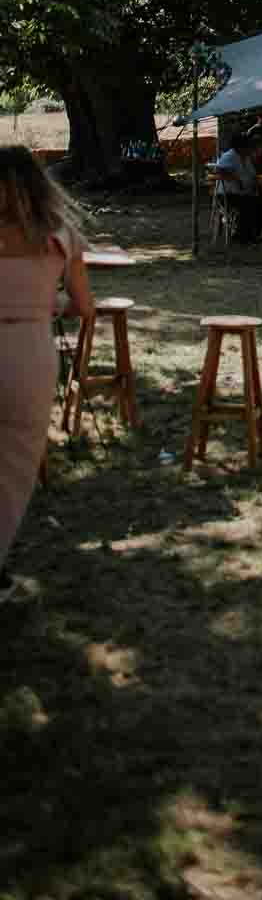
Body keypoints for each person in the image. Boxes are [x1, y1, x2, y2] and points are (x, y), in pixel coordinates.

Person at [0, 147, 95, 603]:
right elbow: (83, 308)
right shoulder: (62, 235)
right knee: (14, 470)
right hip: (29, 353)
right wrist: (43, 304)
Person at [213, 133, 262, 242]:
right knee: (249, 204)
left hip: (242, 193)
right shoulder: (229, 156)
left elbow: (252, 175)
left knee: (260, 203)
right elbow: (218, 170)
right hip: (227, 195)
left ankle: (254, 234)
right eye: (247, 146)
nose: (249, 149)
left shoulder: (246, 157)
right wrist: (236, 178)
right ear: (240, 147)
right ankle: (241, 235)